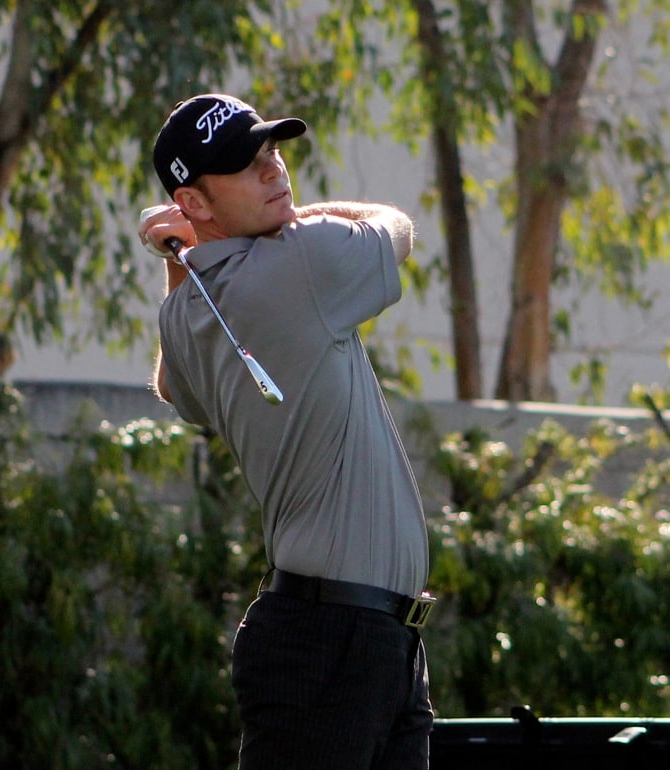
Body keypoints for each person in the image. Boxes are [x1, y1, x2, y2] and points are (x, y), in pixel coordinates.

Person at [139, 93, 435, 769]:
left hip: (367, 641)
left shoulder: (184, 312)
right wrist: (299, 219)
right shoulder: (301, 259)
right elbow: (397, 228)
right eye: (246, 165)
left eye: (271, 151)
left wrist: (181, 257)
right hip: (332, 638)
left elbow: (175, 387)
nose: (274, 170)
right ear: (194, 201)